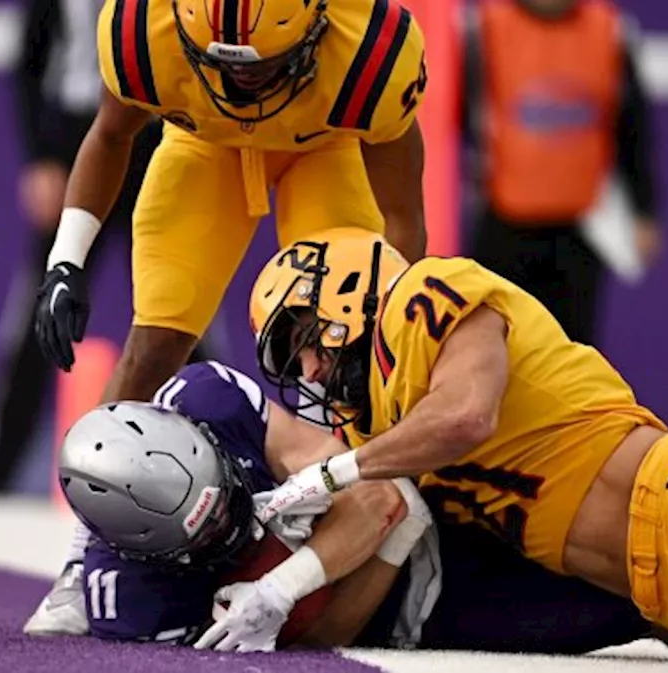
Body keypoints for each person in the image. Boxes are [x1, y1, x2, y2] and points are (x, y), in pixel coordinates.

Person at [235, 227, 668, 668]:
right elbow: (383, 515)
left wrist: (334, 472)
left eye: (304, 341)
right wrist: (284, 586)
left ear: (345, 290)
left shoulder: (425, 295)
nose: (310, 372)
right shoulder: (375, 429)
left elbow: (466, 415)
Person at [26, 0, 432, 622]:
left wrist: (392, 324)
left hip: (325, 150)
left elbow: (404, 214)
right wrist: (66, 259)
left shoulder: (367, 55)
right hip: (203, 147)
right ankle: (84, 562)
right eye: (224, 66)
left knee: (344, 342)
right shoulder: (147, 29)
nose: (243, 82)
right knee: (154, 344)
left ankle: (348, 545)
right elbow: (111, 132)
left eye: (264, 66)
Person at [43, 360, 651, 654]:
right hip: (412, 616)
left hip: (445, 502)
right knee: (645, 607)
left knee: (638, 538)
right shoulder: (134, 601)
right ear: (143, 551)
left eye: (227, 495)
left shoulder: (208, 400)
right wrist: (377, 552)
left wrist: (280, 588)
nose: (232, 523)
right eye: (206, 536)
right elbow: (322, 640)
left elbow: (379, 492)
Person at [0, 0, 223, 493]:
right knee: (46, 304)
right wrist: (39, 155)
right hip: (79, 138)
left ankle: (227, 449)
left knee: (182, 311)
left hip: (156, 142)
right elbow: (31, 58)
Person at [460, 0, 660, 345]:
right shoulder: (481, 28)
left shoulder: (610, 30)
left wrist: (645, 210)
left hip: (579, 232)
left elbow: (632, 126)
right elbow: (448, 119)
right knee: (489, 347)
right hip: (502, 225)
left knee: (572, 352)